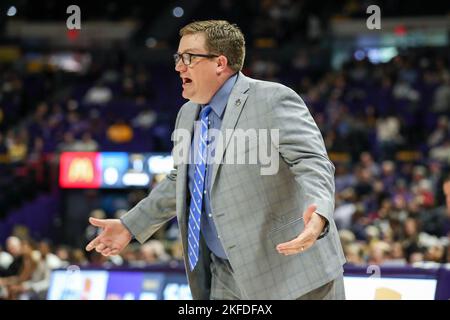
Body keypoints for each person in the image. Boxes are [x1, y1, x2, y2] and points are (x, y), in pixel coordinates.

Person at [86, 20, 346, 300]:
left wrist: (319, 212)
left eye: (189, 58)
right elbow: (181, 180)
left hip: (293, 273)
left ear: (220, 63)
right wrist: (130, 225)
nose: (178, 67)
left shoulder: (272, 99)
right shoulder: (187, 114)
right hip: (225, 276)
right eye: (178, 57)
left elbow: (313, 162)